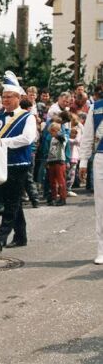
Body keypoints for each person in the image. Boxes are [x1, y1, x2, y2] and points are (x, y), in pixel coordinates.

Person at [0, 71, 37, 253]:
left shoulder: (27, 117)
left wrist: (3, 142)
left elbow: (28, 138)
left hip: (19, 164)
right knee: (12, 201)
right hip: (1, 163)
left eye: (9, 97)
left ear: (17, 97)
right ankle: (21, 236)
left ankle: (0, 238)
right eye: (4, 97)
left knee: (12, 202)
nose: (5, 100)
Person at [79, 94, 103, 263]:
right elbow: (88, 135)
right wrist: (83, 160)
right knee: (101, 206)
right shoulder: (96, 107)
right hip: (101, 157)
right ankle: (102, 249)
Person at [45, 122, 68, 206]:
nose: (51, 134)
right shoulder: (52, 138)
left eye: (52, 132)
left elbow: (63, 139)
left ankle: (63, 198)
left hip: (59, 161)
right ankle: (53, 198)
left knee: (61, 181)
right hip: (51, 161)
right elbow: (50, 150)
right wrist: (47, 161)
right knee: (52, 182)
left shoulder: (63, 137)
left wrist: (57, 132)